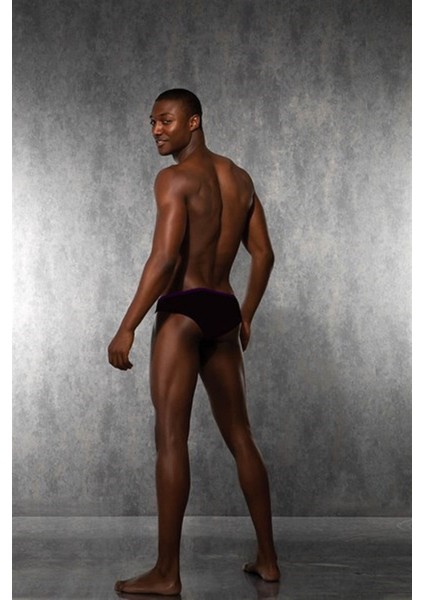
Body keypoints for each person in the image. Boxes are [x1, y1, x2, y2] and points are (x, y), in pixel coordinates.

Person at [108, 88, 279, 596]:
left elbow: (164, 260)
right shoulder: (240, 179)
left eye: (166, 120)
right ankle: (268, 559)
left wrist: (128, 325)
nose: (156, 130)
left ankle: (167, 573)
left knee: (170, 439)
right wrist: (245, 314)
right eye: (152, 122)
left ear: (194, 122)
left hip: (183, 311)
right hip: (223, 310)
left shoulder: (175, 179)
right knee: (241, 436)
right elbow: (264, 254)